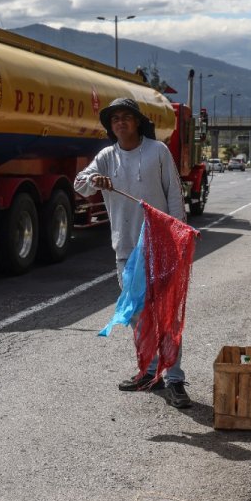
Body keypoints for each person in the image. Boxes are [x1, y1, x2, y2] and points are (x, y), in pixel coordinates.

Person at [74, 97, 191, 409]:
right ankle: (150, 372)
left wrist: (179, 237)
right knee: (138, 315)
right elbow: (79, 185)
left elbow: (175, 196)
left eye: (126, 117)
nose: (121, 123)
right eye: (115, 120)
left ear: (138, 122)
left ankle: (176, 378)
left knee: (165, 315)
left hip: (161, 246)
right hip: (125, 248)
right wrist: (92, 179)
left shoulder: (158, 151)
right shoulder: (106, 156)